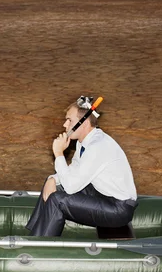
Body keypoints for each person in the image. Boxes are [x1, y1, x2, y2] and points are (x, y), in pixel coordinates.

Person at [26, 96, 137, 237]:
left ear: (83, 124)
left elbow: (71, 186)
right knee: (53, 184)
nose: (65, 125)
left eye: (69, 120)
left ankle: (38, 246)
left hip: (118, 208)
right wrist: (52, 179)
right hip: (100, 195)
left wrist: (59, 154)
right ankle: (33, 235)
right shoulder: (83, 142)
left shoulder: (97, 146)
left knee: (57, 200)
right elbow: (73, 170)